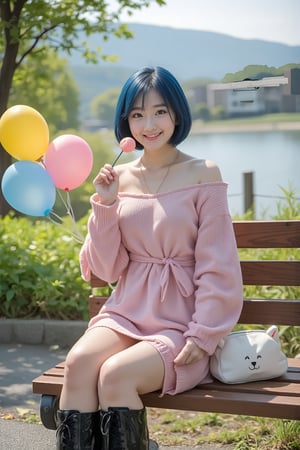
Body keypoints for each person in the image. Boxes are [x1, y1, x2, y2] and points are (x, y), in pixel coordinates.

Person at [56, 66, 243, 450]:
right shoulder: (118, 179)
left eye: (159, 111)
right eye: (137, 114)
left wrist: (204, 333)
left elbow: (218, 263)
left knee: (115, 376)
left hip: (181, 326)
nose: (149, 124)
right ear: (125, 121)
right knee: (77, 365)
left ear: (177, 112)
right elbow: (107, 270)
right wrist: (105, 206)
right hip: (124, 314)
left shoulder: (203, 173)